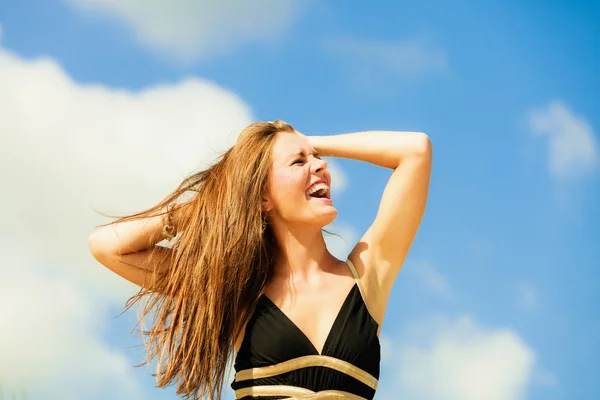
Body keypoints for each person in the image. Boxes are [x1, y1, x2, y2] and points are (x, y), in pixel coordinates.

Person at [88, 120, 432, 400]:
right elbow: (107, 246)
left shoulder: (366, 276)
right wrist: (212, 203)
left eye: (318, 159)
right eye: (299, 162)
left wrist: (305, 142)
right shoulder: (238, 289)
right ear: (263, 197)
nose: (321, 165)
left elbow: (415, 150)